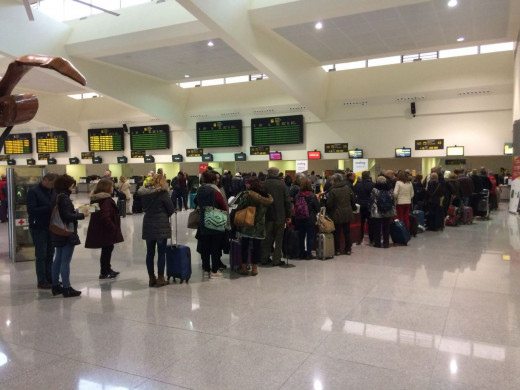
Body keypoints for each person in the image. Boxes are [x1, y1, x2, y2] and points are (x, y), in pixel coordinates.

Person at [50, 174, 88, 297]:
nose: (73, 187)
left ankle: (55, 285)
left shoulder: (55, 195)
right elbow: (67, 216)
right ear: (67, 185)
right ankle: (67, 287)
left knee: (58, 259)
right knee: (65, 261)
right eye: (72, 185)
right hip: (66, 232)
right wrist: (82, 215)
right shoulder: (64, 198)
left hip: (57, 230)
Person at [138, 174, 175, 287]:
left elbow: (142, 207)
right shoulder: (163, 193)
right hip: (161, 224)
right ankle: (160, 278)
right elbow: (171, 209)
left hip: (148, 223)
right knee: (161, 253)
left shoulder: (144, 194)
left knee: (150, 253)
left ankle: (151, 278)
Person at [85, 179, 124, 279]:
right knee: (107, 250)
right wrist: (113, 227)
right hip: (106, 230)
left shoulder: (96, 198)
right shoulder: (106, 200)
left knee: (107, 249)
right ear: (107, 188)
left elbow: (93, 211)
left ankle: (107, 269)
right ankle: (104, 271)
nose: (113, 188)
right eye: (111, 186)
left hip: (99, 228)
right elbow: (104, 216)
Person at [234, 176, 273, 276]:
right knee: (257, 247)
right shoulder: (266, 197)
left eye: (248, 183)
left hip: (247, 223)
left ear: (251, 185)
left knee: (245, 246)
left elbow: (240, 206)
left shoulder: (248, 195)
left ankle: (244, 267)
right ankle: (254, 269)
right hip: (259, 225)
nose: (246, 184)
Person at [195, 170, 228, 278]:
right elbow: (223, 206)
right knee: (215, 247)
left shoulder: (200, 190)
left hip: (203, 221)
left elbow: (196, 202)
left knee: (205, 247)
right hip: (215, 221)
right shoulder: (215, 191)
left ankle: (206, 269)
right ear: (213, 180)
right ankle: (214, 271)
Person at [27, 173, 58, 289]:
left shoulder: (52, 191)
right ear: (45, 180)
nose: (53, 186)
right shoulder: (33, 192)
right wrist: (49, 207)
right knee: (41, 255)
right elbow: (31, 210)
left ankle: (50, 278)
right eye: (51, 183)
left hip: (51, 226)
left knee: (50, 253)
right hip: (38, 227)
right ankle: (41, 280)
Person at [261, 167, 292, 266]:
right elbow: (287, 202)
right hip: (280, 215)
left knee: (267, 239)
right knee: (279, 239)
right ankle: (276, 260)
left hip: (267, 215)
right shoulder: (282, 185)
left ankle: (264, 258)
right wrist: (288, 216)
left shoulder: (263, 184)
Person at [326, 173, 355, 256]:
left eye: (331, 180)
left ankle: (337, 249)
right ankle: (348, 249)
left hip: (336, 213)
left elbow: (329, 204)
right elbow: (352, 199)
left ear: (334, 181)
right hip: (347, 212)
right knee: (347, 232)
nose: (330, 181)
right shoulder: (347, 188)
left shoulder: (332, 191)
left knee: (337, 233)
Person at [293, 178, 320, 259]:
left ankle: (301, 253)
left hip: (299, 219)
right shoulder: (312, 195)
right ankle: (308, 254)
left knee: (301, 237)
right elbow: (317, 208)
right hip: (310, 219)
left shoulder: (297, 195)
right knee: (310, 237)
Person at [370, 176, 396, 248]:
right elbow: (393, 199)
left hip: (377, 211)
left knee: (377, 227)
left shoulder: (375, 189)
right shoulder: (390, 189)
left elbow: (372, 200)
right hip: (387, 210)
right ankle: (386, 243)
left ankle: (377, 243)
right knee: (386, 227)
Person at [353, 171, 375, 245]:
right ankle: (372, 239)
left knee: (360, 223)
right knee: (371, 223)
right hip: (369, 206)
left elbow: (354, 194)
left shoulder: (357, 185)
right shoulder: (372, 185)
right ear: (369, 176)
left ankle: (359, 239)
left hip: (360, 205)